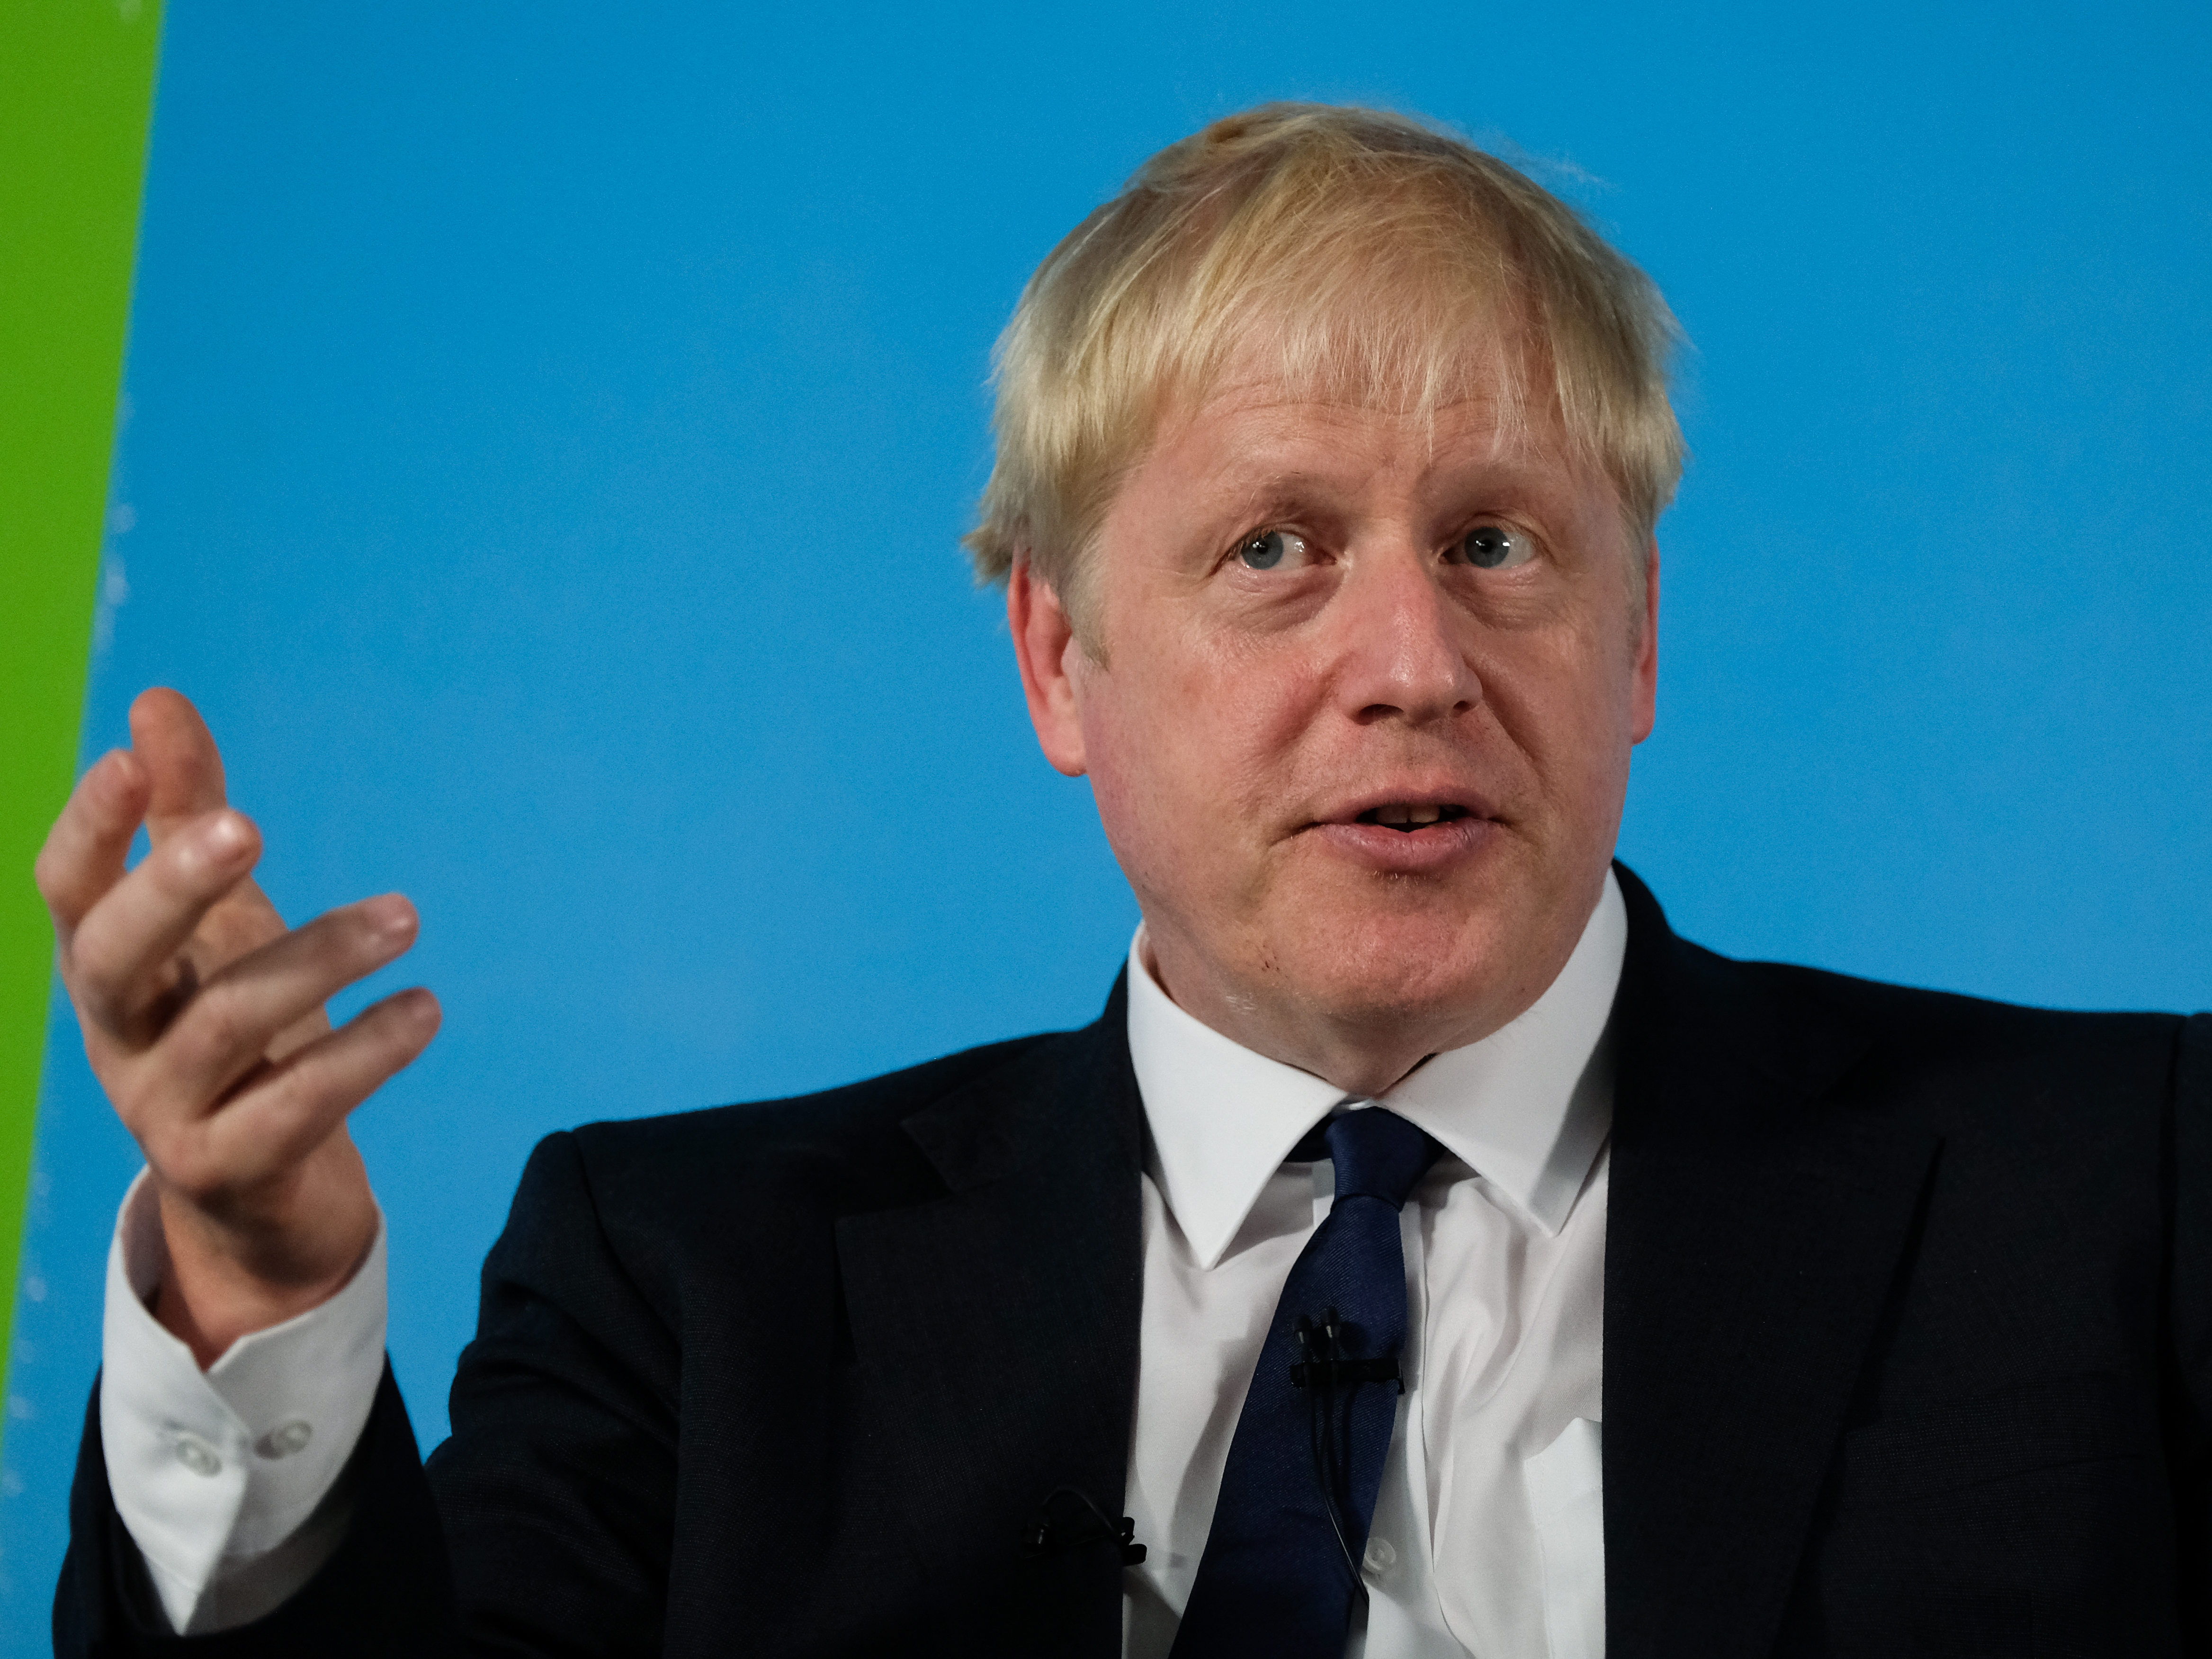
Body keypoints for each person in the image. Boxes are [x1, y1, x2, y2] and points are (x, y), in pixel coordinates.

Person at [36, 103, 2210, 1658]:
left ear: (1635, 640)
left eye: (1495, 543)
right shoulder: (694, 1285)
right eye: (1275, 550)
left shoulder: (2134, 1188)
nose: (1413, 664)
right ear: (1058, 659)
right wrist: (253, 1289)